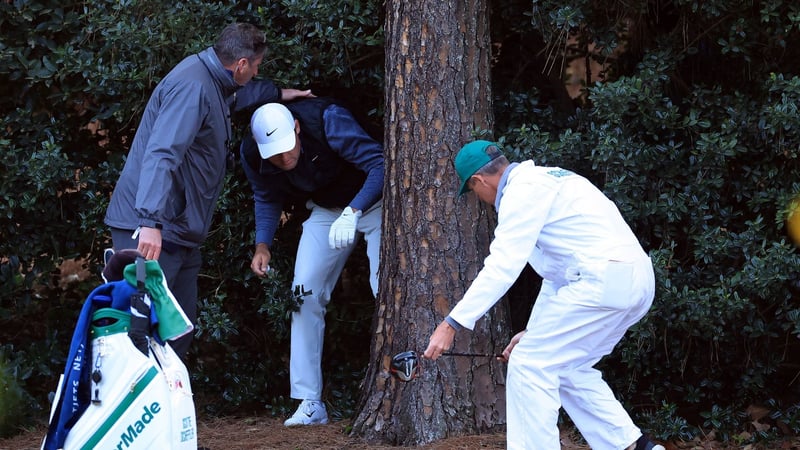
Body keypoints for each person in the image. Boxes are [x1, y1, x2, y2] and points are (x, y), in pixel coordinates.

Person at [423, 140, 663, 450]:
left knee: (529, 364)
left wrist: (451, 323)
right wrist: (534, 331)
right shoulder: (552, 178)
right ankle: (637, 447)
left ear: (479, 181)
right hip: (634, 280)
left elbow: (502, 265)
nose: (480, 199)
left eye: (473, 193)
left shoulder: (521, 193)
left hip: (600, 281)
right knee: (568, 367)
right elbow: (557, 274)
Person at [104, 22, 312, 360]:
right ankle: (129, 410)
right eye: (256, 66)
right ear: (241, 64)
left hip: (179, 231)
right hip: (152, 230)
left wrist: (280, 94)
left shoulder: (214, 83)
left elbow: (240, 96)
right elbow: (162, 152)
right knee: (142, 332)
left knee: (178, 329)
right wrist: (150, 222)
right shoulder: (193, 87)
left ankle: (165, 409)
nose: (257, 71)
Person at [240, 98, 383, 426]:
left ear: (297, 128)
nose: (284, 157)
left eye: (287, 147)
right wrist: (262, 245)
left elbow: (380, 164)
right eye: (274, 154)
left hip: (373, 204)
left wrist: (355, 210)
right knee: (302, 294)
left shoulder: (328, 120)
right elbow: (266, 196)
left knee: (385, 288)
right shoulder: (253, 153)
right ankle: (310, 402)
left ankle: (403, 378)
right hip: (326, 211)